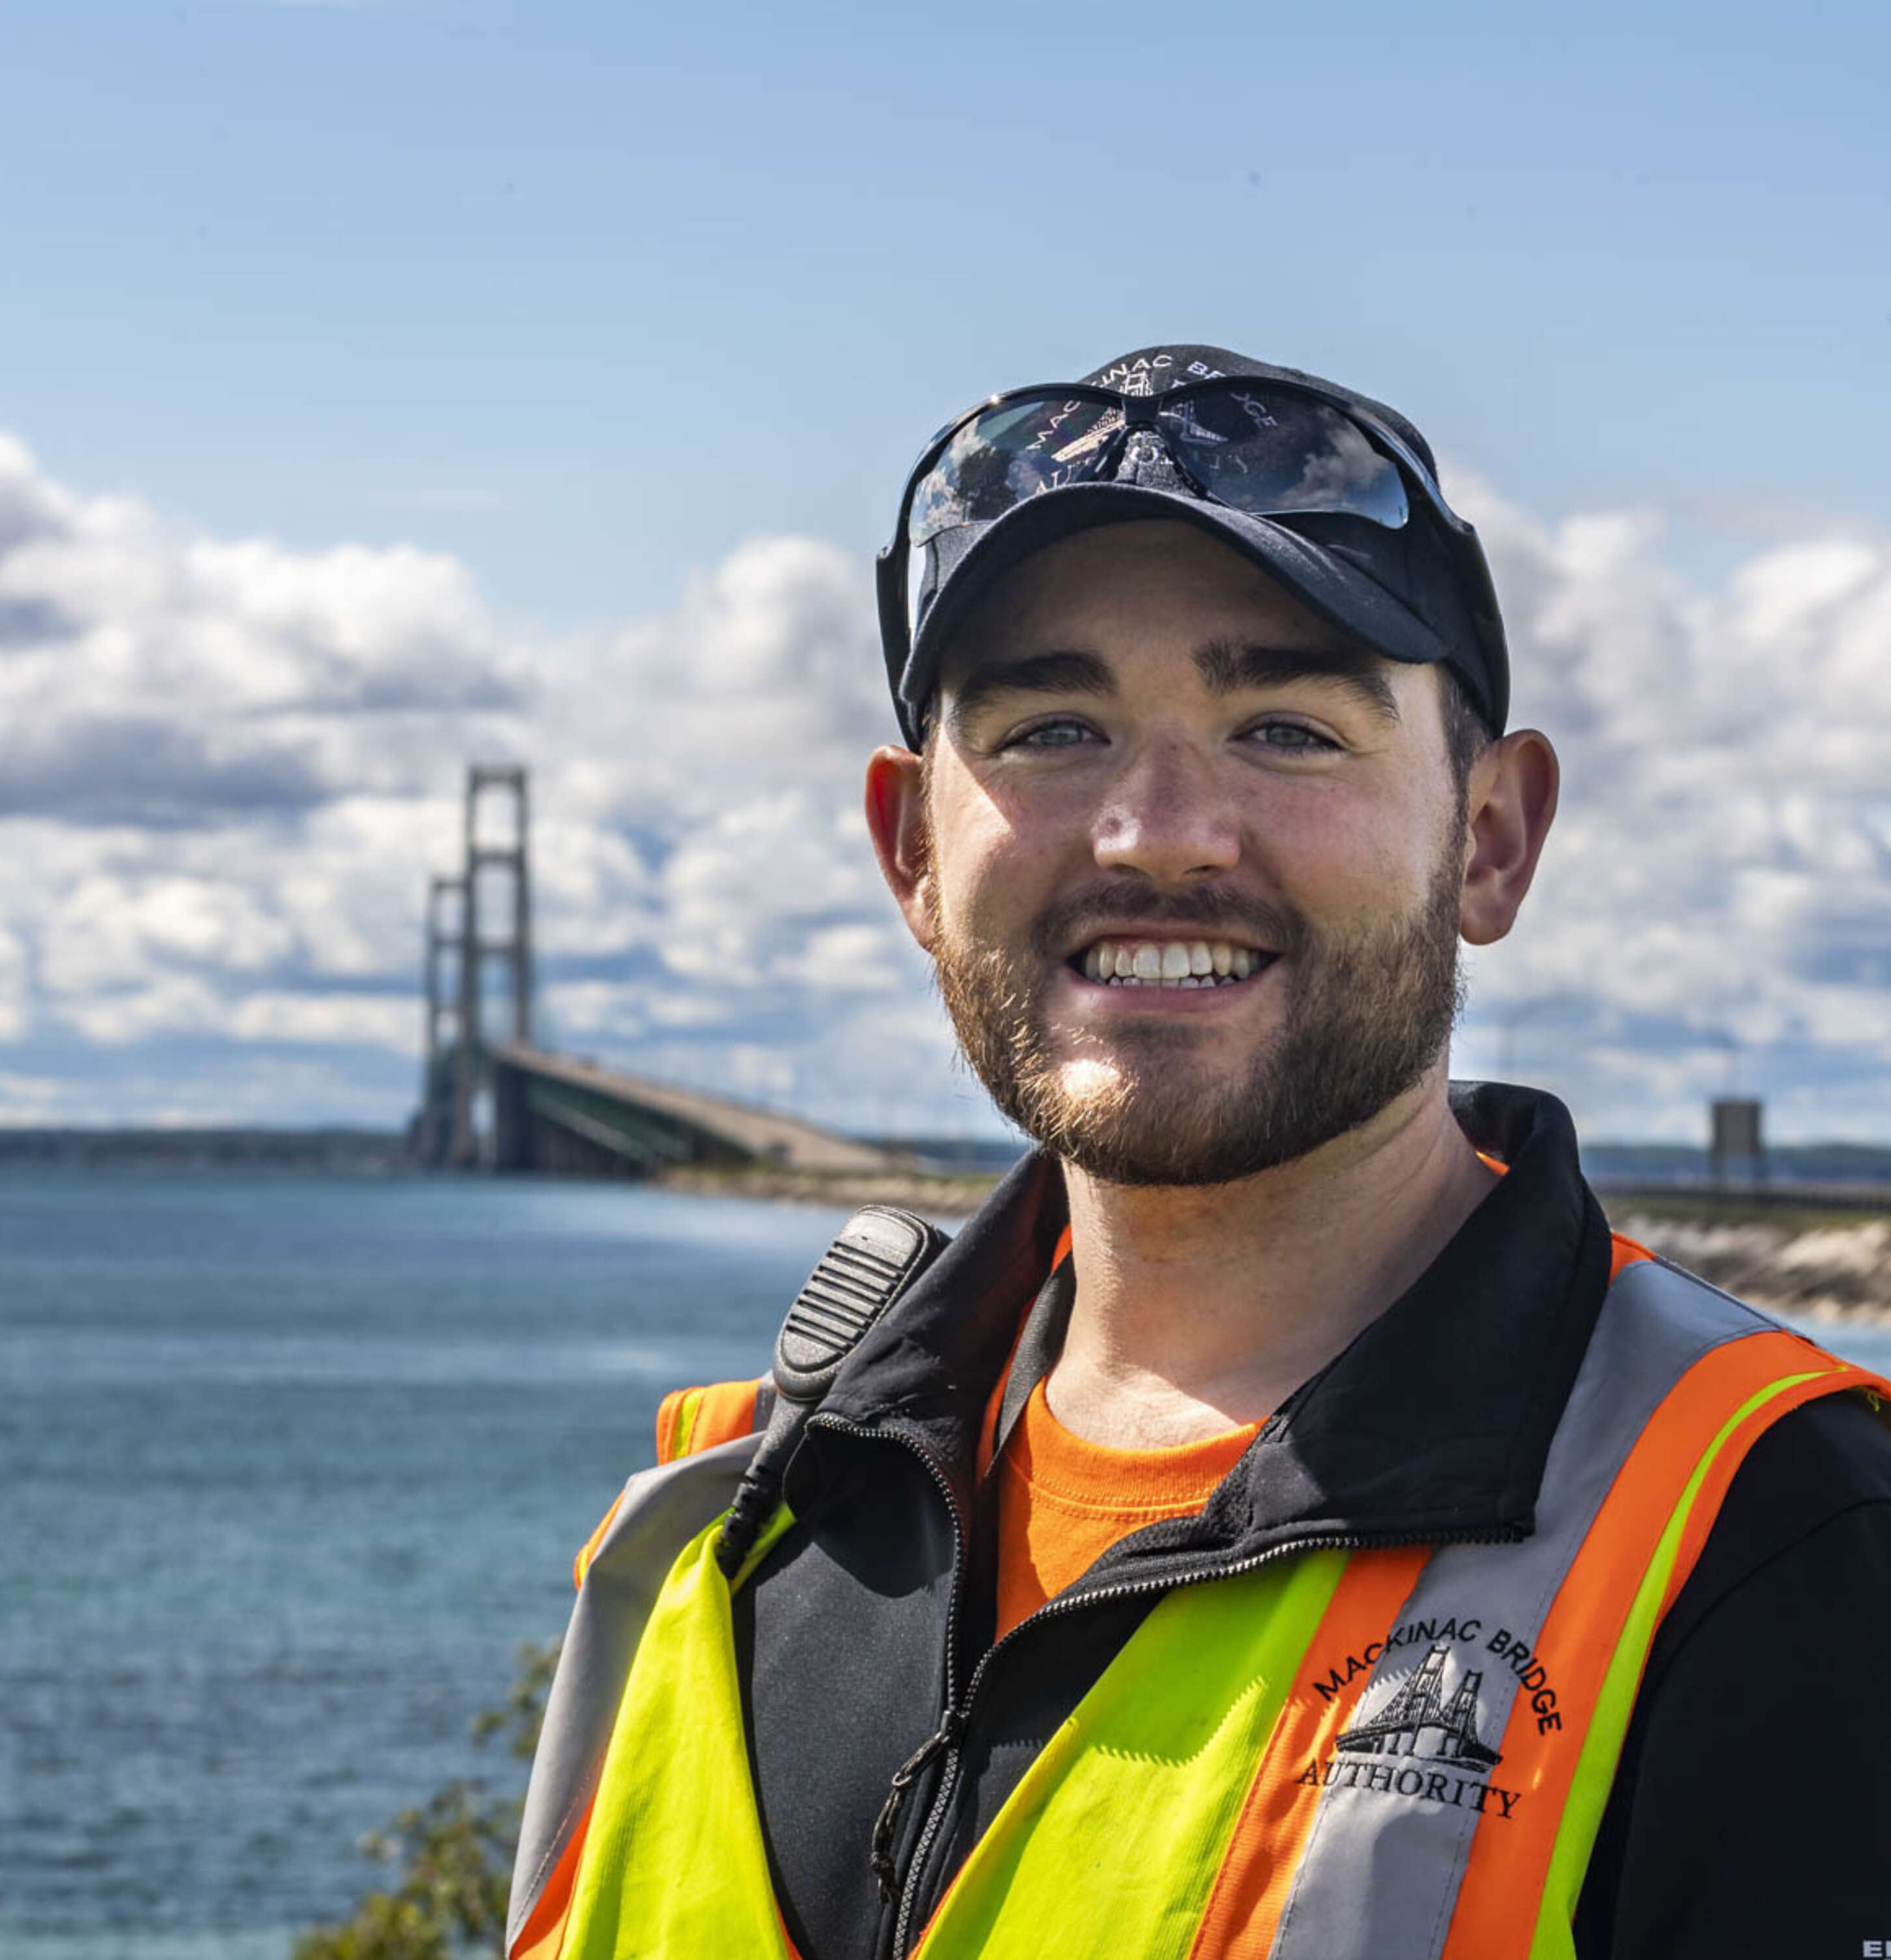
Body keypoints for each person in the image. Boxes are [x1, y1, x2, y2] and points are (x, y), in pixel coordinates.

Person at [506, 344, 1891, 1959]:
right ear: (912, 856)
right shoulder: (727, 1544)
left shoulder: (1775, 1549)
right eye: (1050, 731)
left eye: (1289, 729)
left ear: (1493, 840)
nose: (1157, 828)